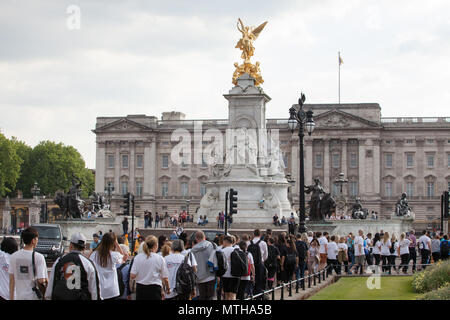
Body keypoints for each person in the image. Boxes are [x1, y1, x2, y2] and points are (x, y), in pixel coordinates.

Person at [46, 233, 100, 300]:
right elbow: (94, 290)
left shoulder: (59, 261)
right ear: (84, 248)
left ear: (71, 245)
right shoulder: (88, 264)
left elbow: (51, 285)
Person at [9, 227, 48, 300]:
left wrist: (11, 298)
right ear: (33, 240)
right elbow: (41, 280)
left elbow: (11, 280)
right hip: (33, 297)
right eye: (37, 238)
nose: (37, 241)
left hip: (19, 296)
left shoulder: (13, 256)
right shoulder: (39, 257)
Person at [89, 232, 128, 300]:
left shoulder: (95, 254)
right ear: (113, 243)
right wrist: (117, 243)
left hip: (99, 287)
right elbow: (123, 257)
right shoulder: (114, 255)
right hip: (112, 289)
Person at [130, 235, 170, 300]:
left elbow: (132, 275)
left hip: (141, 287)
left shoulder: (138, 257)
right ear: (155, 246)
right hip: (155, 288)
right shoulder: (159, 258)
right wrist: (168, 289)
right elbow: (165, 277)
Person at [190, 231, 216, 300]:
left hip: (199, 277)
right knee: (210, 297)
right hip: (210, 275)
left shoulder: (193, 250)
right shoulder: (211, 245)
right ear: (204, 237)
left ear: (196, 238)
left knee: (202, 297)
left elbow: (192, 264)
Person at [248, 229, 268, 295]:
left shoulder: (249, 243)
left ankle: (251, 293)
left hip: (250, 264)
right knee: (260, 280)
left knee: (251, 279)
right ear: (260, 235)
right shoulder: (263, 243)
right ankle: (258, 294)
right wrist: (262, 260)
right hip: (260, 263)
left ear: (253, 234)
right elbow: (266, 255)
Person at [221, 236, 240, 300]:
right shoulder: (237, 250)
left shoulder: (222, 251)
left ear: (226, 242)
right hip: (235, 275)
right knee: (233, 295)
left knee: (227, 295)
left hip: (225, 275)